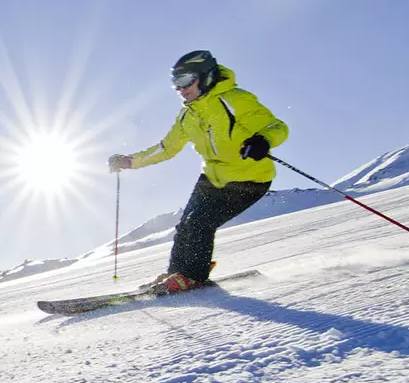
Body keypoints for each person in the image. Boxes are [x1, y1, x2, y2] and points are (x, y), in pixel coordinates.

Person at [108, 50, 288, 293]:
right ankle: (177, 274)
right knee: (185, 226)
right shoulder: (188, 115)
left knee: (201, 223)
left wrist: (263, 140)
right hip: (212, 177)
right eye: (175, 84)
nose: (180, 89)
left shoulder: (234, 100)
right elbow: (166, 148)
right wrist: (130, 162)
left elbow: (277, 127)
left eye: (185, 81)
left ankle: (193, 276)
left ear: (205, 77)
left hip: (249, 178)